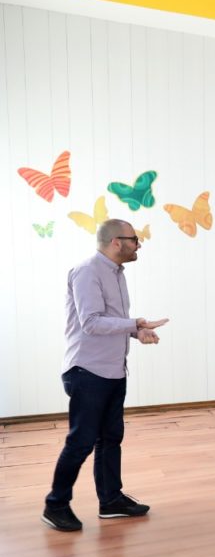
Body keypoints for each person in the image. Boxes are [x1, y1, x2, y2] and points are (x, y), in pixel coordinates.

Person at [42, 219, 168, 531]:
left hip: (112, 370)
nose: (139, 244)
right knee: (81, 441)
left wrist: (137, 332)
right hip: (88, 371)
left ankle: (110, 501)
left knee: (111, 438)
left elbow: (111, 321)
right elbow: (91, 322)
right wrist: (135, 323)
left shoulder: (116, 273)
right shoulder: (87, 271)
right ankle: (55, 505)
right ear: (116, 242)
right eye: (135, 239)